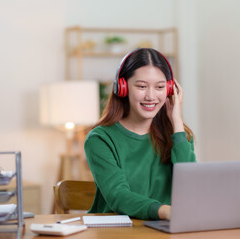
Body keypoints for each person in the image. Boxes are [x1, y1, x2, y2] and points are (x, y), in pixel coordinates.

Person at [84, 48, 196, 220]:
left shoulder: (179, 135)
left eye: (159, 87)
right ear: (122, 87)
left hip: (164, 230)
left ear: (169, 90)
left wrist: (177, 122)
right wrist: (165, 211)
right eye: (142, 86)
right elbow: (118, 195)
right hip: (115, 232)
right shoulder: (101, 139)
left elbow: (192, 188)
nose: (151, 96)